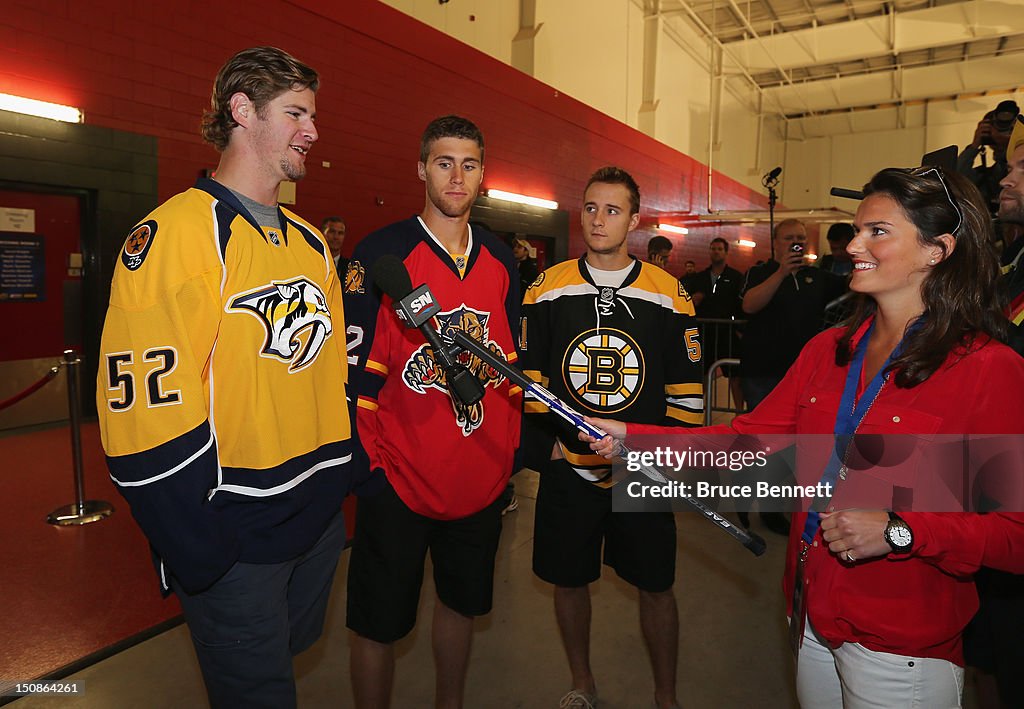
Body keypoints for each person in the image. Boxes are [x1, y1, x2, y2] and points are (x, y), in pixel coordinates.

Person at [583, 165, 1024, 708]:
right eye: (857, 228)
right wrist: (631, 437)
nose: (853, 243)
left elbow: (1013, 533)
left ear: (937, 251)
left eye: (877, 232)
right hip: (811, 618)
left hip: (902, 650)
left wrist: (901, 530)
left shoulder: (985, 368)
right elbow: (746, 444)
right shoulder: (829, 352)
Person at [95, 47, 355, 709]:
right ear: (243, 111)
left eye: (314, 114)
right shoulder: (175, 234)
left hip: (317, 523)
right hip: (235, 536)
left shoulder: (311, 241)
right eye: (296, 112)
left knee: (284, 664)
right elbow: (140, 413)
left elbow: (331, 379)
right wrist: (201, 545)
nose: (313, 130)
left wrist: (340, 488)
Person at [342, 115, 522, 709]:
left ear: (482, 175)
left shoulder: (499, 257)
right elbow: (351, 376)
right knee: (377, 622)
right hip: (397, 475)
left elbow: (506, 364)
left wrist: (508, 457)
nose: (456, 175)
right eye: (444, 162)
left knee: (460, 604)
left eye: (469, 164)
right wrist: (369, 473)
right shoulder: (380, 253)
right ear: (422, 168)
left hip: (477, 476)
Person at [521, 166, 703, 709]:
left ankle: (665, 695)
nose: (599, 220)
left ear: (635, 218)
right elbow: (533, 378)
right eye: (592, 208)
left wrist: (665, 454)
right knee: (568, 579)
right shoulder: (548, 286)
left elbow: (686, 390)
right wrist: (548, 448)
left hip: (641, 469)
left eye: (613, 210)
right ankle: (583, 682)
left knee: (656, 584)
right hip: (569, 467)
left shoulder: (668, 293)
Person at [685, 236, 745, 410]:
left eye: (719, 249)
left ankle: (739, 412)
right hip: (705, 333)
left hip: (727, 332)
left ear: (726, 253)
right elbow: (685, 300)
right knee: (701, 373)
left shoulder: (735, 277)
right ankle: (698, 411)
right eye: (713, 248)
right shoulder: (700, 278)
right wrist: (693, 299)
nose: (716, 252)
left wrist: (739, 330)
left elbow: (741, 304)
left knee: (735, 375)